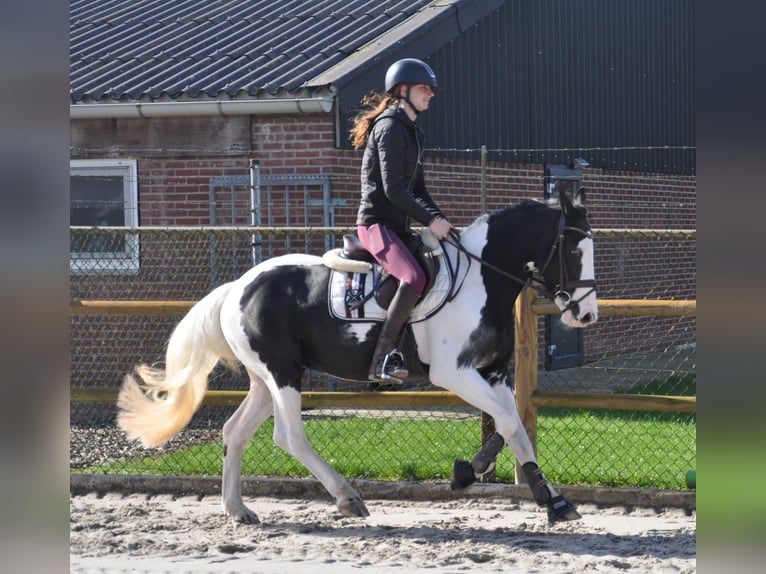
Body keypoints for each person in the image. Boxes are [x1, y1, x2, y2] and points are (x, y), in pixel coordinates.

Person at [349, 58, 454, 383]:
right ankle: (380, 360)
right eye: (425, 89)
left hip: (398, 227)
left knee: (433, 266)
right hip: (375, 226)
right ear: (403, 90)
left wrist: (441, 221)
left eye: (431, 90)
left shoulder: (413, 131)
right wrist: (428, 221)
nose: (431, 95)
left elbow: (418, 189)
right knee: (412, 277)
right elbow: (394, 190)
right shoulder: (389, 128)